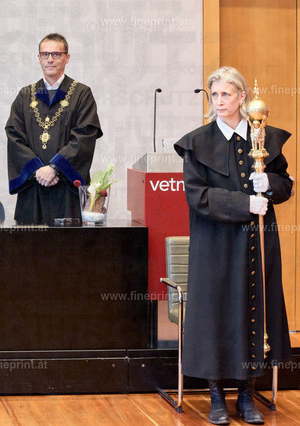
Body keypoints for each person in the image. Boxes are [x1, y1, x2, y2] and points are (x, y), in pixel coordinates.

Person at [174, 66, 292, 425]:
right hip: (214, 243)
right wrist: (244, 203)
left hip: (256, 242)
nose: (219, 101)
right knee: (216, 314)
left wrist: (270, 184)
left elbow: (285, 185)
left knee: (253, 310)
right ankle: (216, 396)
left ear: (242, 97)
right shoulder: (197, 142)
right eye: (215, 95)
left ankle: (245, 395)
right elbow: (197, 196)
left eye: (226, 94)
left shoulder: (264, 137)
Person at [6, 33, 103, 225]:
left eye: (56, 54)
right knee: (30, 241)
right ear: (39, 58)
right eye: (45, 54)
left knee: (67, 241)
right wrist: (37, 170)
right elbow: (14, 136)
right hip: (33, 186)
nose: (50, 59)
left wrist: (55, 168)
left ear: (67, 58)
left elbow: (84, 135)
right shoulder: (25, 95)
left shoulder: (81, 94)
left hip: (67, 188)